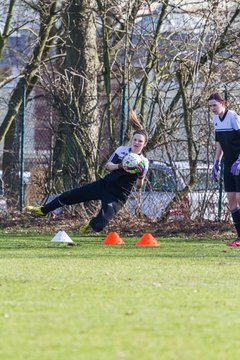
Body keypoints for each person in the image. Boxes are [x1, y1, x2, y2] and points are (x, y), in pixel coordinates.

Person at [26, 111, 149, 233]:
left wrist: (141, 175)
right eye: (135, 139)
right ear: (132, 140)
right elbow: (108, 166)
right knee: (71, 195)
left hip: (118, 196)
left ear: (144, 144)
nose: (137, 143)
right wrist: (120, 166)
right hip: (104, 185)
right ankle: (44, 210)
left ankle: (91, 223)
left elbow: (139, 187)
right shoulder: (122, 151)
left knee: (99, 225)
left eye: (140, 141)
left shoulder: (143, 162)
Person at [209, 93, 240, 246]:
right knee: (232, 200)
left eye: (214, 105)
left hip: (239, 163)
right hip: (228, 164)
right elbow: (219, 143)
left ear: (223, 103)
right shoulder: (215, 120)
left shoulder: (233, 116)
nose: (212, 108)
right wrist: (216, 163)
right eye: (210, 106)